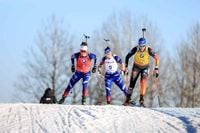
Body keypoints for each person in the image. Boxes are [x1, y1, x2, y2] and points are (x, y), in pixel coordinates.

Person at [123, 37, 159, 107]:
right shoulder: (135, 49)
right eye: (140, 46)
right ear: (138, 45)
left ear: (145, 45)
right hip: (136, 67)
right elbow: (127, 56)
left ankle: (141, 100)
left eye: (143, 46)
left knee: (143, 82)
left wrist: (156, 68)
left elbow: (157, 58)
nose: (141, 48)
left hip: (145, 67)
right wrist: (126, 67)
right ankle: (128, 99)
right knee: (132, 83)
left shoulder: (149, 50)